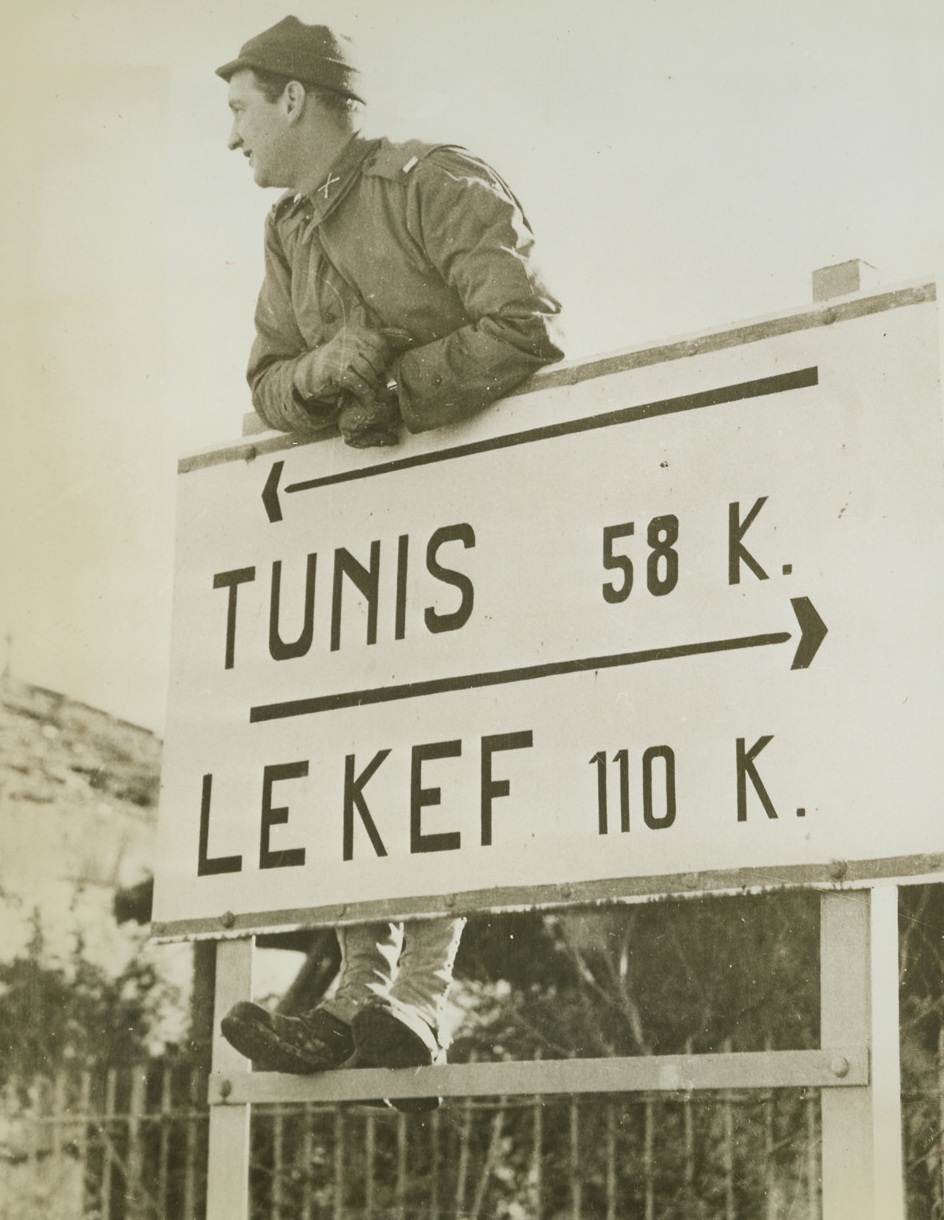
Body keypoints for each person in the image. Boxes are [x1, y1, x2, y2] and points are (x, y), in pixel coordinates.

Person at [215, 16, 563, 1103]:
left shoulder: (432, 183)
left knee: (446, 733)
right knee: (350, 745)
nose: (231, 140)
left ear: (292, 101)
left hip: (485, 517)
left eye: (238, 110)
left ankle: (420, 989)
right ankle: (357, 993)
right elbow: (265, 387)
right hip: (374, 543)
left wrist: (399, 385)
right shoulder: (289, 235)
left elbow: (523, 325)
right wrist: (320, 368)